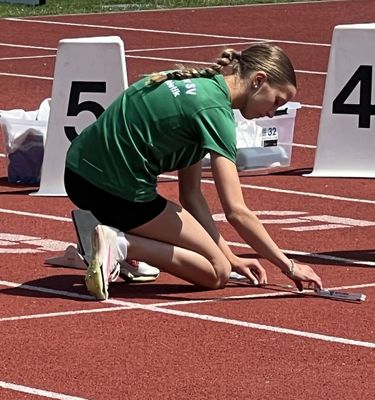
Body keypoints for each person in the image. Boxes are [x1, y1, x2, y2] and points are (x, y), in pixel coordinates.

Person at [64, 43, 323, 301]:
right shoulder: (215, 113)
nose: (271, 113)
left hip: (77, 175)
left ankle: (124, 241)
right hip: (115, 192)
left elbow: (191, 195)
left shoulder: (200, 83)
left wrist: (230, 255)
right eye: (277, 101)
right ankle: (121, 245)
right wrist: (288, 265)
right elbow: (236, 211)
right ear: (258, 80)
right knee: (216, 272)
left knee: (220, 260)